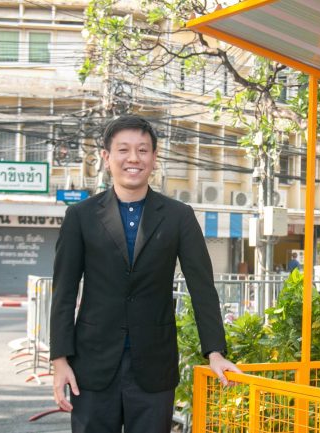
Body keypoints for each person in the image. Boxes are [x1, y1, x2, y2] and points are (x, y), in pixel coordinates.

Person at [50, 115, 241, 433]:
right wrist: (60, 361)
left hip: (154, 366)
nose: (133, 158)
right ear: (106, 157)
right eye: (123, 150)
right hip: (92, 365)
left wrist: (215, 352)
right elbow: (64, 292)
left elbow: (202, 288)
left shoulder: (179, 216)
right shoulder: (80, 216)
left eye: (142, 150)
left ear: (154, 157)